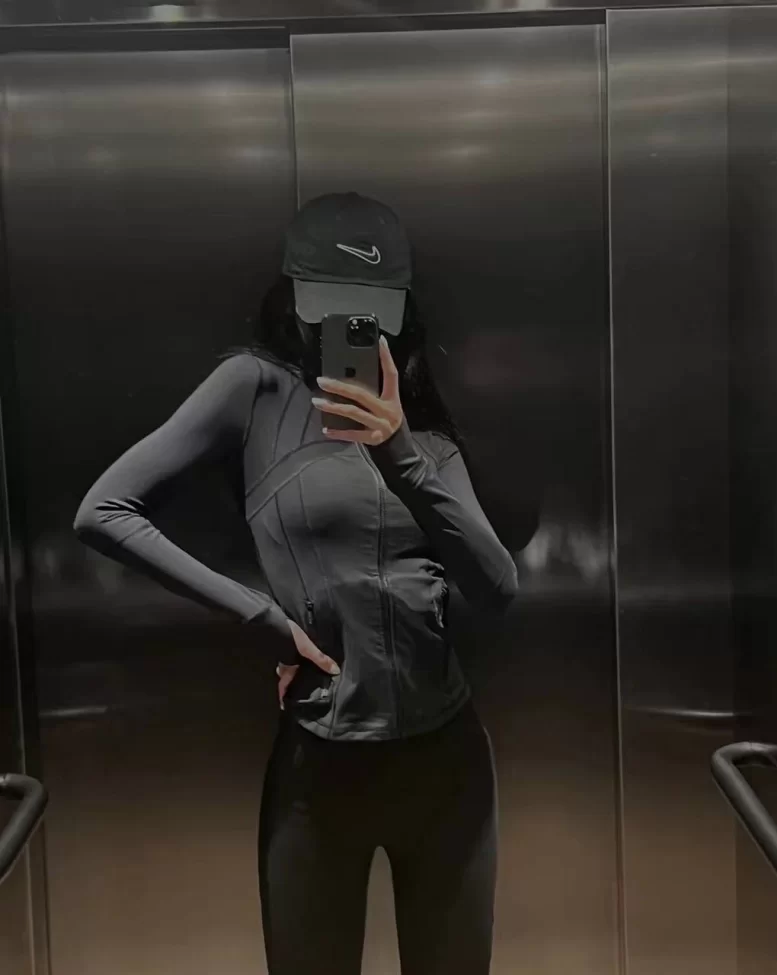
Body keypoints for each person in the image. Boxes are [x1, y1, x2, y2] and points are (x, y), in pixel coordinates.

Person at [74, 192, 518, 975]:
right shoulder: (256, 389)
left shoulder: (420, 419)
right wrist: (263, 619)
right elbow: (104, 511)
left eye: (370, 310)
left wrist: (400, 451)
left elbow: (497, 586)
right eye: (331, 306)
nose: (350, 327)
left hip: (449, 768)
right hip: (320, 771)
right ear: (293, 296)